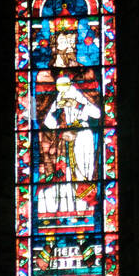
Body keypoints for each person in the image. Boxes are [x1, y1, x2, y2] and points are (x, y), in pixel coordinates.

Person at [37, 76, 100, 216]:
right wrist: (59, 129)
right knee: (67, 172)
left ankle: (85, 206)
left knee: (83, 171)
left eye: (64, 87)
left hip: (83, 135)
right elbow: (47, 118)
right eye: (60, 89)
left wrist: (77, 105)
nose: (62, 91)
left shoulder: (80, 95)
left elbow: (97, 114)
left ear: (70, 85)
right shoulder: (60, 97)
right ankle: (70, 206)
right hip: (65, 137)